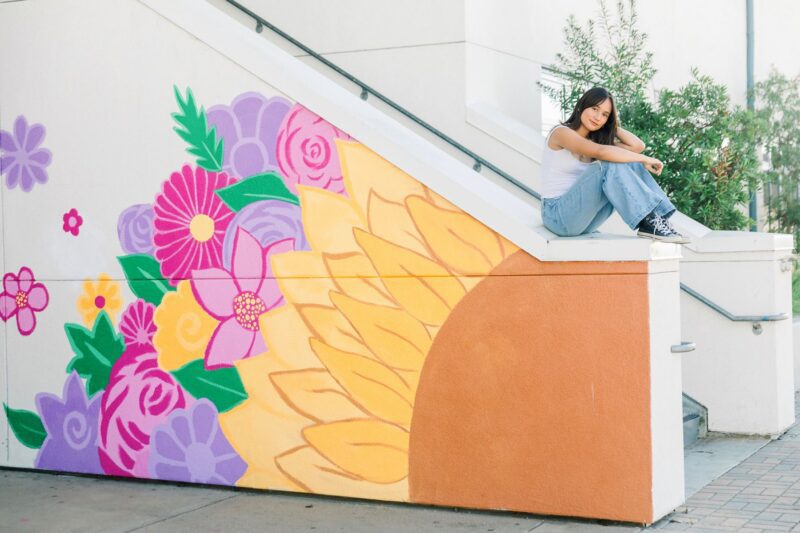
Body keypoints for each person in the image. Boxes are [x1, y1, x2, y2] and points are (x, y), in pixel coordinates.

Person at [540, 86, 689, 243]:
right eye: (595, 109)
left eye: (605, 114)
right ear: (581, 106)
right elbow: (601, 152)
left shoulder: (596, 141)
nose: (598, 117)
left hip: (583, 221)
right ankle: (648, 220)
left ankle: (657, 217)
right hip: (556, 215)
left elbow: (637, 146)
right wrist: (644, 159)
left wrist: (611, 125)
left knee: (626, 159)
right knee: (610, 162)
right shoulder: (561, 133)